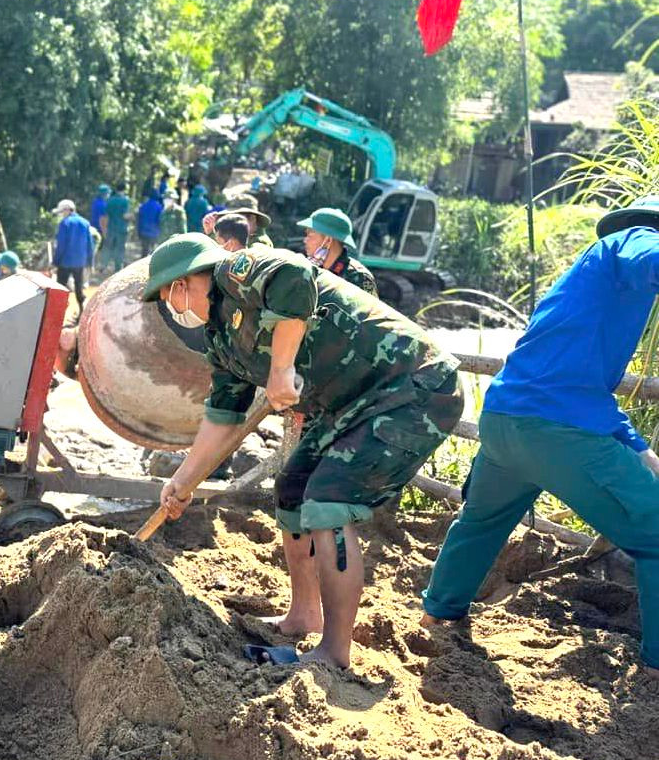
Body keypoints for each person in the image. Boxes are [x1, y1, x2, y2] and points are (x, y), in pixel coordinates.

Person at [144, 234, 462, 669]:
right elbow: (224, 418)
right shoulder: (220, 340)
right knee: (293, 489)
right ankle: (303, 614)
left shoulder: (237, 272)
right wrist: (183, 483)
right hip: (350, 403)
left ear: (182, 282)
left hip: (411, 387)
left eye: (168, 297)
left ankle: (333, 652)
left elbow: (294, 276)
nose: (173, 308)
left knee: (328, 500)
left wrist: (280, 369)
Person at [421, 197, 659, 675]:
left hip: (504, 419)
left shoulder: (590, 282)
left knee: (480, 523)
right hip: (559, 431)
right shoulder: (637, 240)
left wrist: (638, 446)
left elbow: (579, 383)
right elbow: (649, 255)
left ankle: (437, 615)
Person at [297, 207, 376, 296]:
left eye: (310, 235)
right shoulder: (309, 270)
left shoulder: (359, 277)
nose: (305, 240)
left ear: (327, 241)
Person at [51, 198, 94, 316]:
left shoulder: (65, 223)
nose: (61, 215)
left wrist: (55, 261)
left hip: (65, 262)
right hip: (80, 262)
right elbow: (90, 244)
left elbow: (61, 245)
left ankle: (58, 314)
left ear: (67, 210)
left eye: (61, 212)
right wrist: (90, 262)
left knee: (60, 288)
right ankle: (82, 312)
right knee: (79, 287)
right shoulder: (85, 223)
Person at [103, 183, 131, 272]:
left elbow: (106, 215)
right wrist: (131, 216)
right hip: (121, 229)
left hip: (111, 228)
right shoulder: (125, 201)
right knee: (119, 249)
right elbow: (125, 215)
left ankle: (104, 266)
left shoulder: (110, 200)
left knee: (108, 248)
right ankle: (118, 268)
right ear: (124, 190)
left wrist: (105, 228)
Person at [137, 191, 164, 258]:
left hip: (144, 231)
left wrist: (139, 231)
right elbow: (159, 221)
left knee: (144, 251)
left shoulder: (143, 206)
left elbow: (139, 220)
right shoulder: (159, 207)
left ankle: (142, 262)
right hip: (154, 233)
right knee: (153, 252)